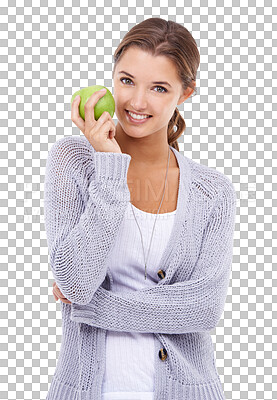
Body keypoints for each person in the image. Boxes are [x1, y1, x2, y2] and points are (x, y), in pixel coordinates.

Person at [45, 17, 237, 400]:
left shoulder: (213, 192)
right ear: (112, 78)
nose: (136, 102)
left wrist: (90, 307)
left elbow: (201, 310)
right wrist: (110, 168)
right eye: (127, 80)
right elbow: (76, 280)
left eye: (159, 88)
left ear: (185, 93)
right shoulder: (72, 161)